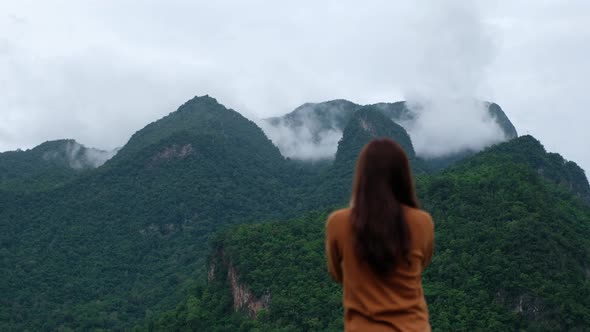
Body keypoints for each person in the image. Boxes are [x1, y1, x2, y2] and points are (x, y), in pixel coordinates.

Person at [325, 138, 434, 332]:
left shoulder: (338, 223)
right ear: (403, 177)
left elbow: (337, 273)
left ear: (362, 176)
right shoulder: (422, 222)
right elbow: (421, 265)